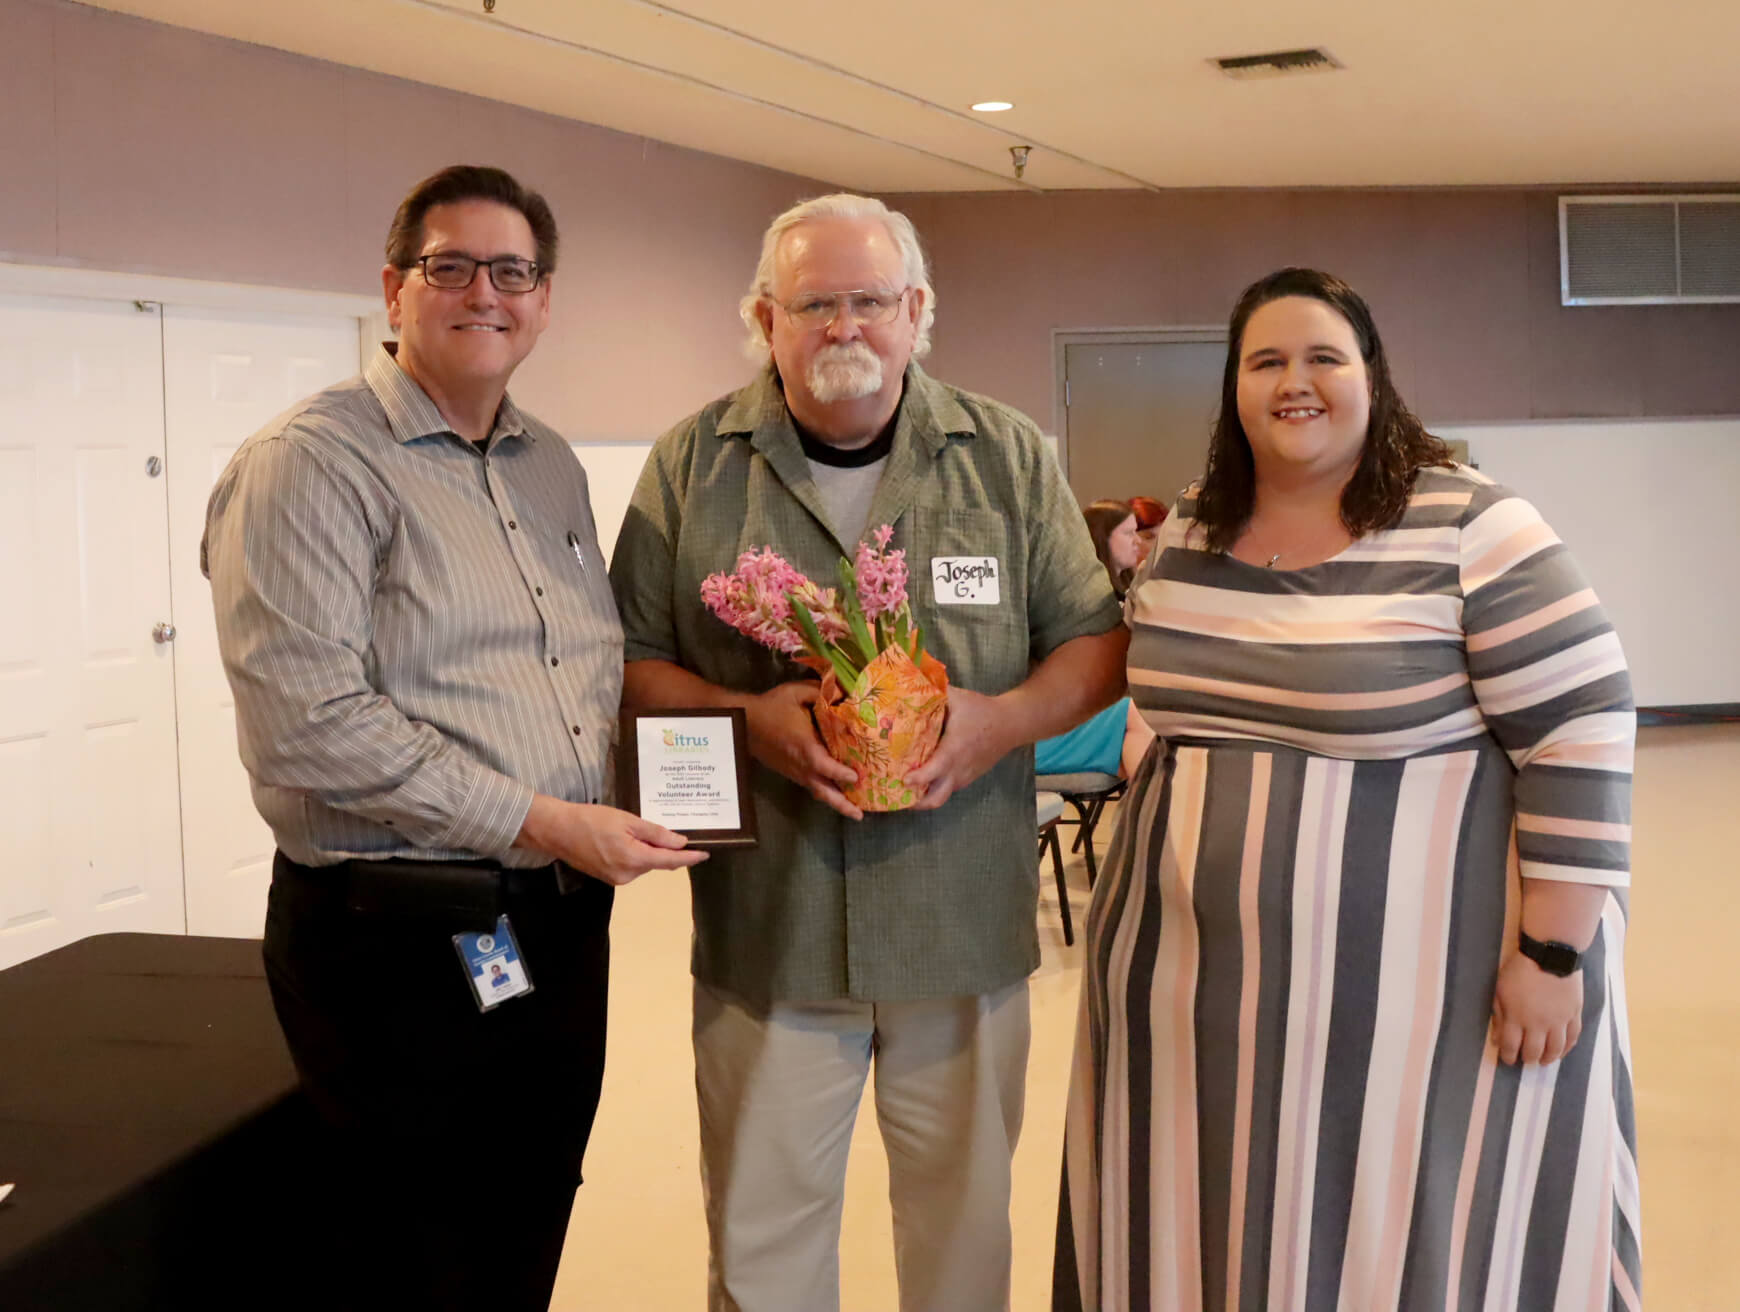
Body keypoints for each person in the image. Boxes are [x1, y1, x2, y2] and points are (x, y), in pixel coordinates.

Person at [1055, 268, 1639, 1311]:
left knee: (1405, 1233)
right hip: (1191, 989)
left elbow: (1582, 726)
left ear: (1374, 377)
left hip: (1421, 1000)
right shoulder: (1191, 530)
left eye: (1324, 356)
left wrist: (1555, 951)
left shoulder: (1473, 524)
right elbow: (1166, 709)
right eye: (1266, 360)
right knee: (1211, 1221)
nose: (1296, 381)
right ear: (1233, 388)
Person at [609, 193, 1127, 1312]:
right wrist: (746, 720)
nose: (846, 327)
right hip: (771, 930)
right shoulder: (692, 467)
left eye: (871, 301)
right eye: (816, 304)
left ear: (917, 310)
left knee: (961, 1234)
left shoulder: (1005, 459)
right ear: (766, 318)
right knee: (761, 1241)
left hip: (961, 925)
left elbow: (1093, 642)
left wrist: (1000, 723)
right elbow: (631, 661)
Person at [203, 165, 704, 1311]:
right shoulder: (312, 462)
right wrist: (545, 816)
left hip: (558, 920)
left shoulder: (552, 464)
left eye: (513, 270)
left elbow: (580, 669)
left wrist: (695, 763)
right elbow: (310, 728)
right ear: (393, 289)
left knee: (526, 1210)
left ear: (544, 299)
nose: (486, 291)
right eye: (451, 266)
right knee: (411, 1250)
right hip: (398, 936)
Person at [1037, 500, 1155, 779]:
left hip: (1082, 705)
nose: (1137, 542)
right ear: (1102, 537)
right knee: (1140, 717)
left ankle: (1154, 815)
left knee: (1145, 735)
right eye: (1128, 534)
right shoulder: (1078, 598)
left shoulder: (1126, 590)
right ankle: (1160, 817)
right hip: (1054, 712)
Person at [1083, 498, 1143, 598]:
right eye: (1128, 533)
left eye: (1135, 531)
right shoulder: (1090, 596)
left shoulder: (1130, 588)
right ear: (1102, 537)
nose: (1138, 540)